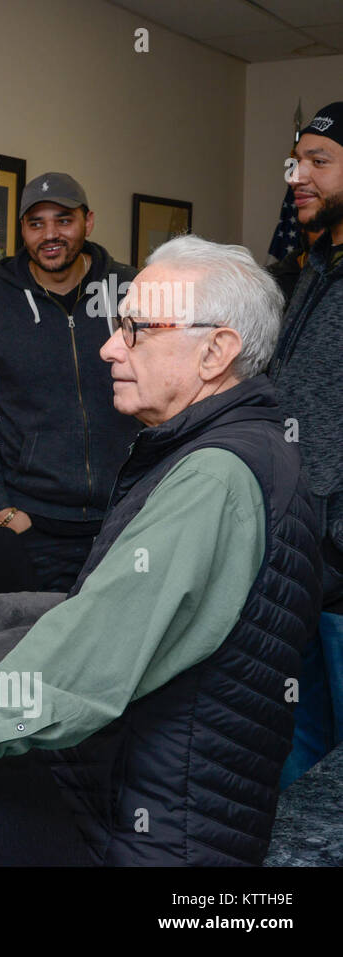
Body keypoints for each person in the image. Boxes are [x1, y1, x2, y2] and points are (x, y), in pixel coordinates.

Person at [0, 236, 320, 865]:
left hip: (155, 837)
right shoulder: (243, 447)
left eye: (137, 329)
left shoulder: (214, 477)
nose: (110, 347)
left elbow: (101, 643)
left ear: (215, 351)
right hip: (135, 798)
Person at [0, 172, 139, 592]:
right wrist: (1, 510)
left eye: (63, 220)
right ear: (22, 231)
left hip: (129, 521)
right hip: (37, 530)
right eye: (36, 223)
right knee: (47, 648)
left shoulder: (132, 291)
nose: (50, 234)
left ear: (87, 222)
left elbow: (174, 391)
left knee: (129, 649)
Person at [270, 101, 343, 788]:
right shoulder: (314, 265)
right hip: (304, 564)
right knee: (302, 747)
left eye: (319, 161)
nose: (300, 176)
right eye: (297, 161)